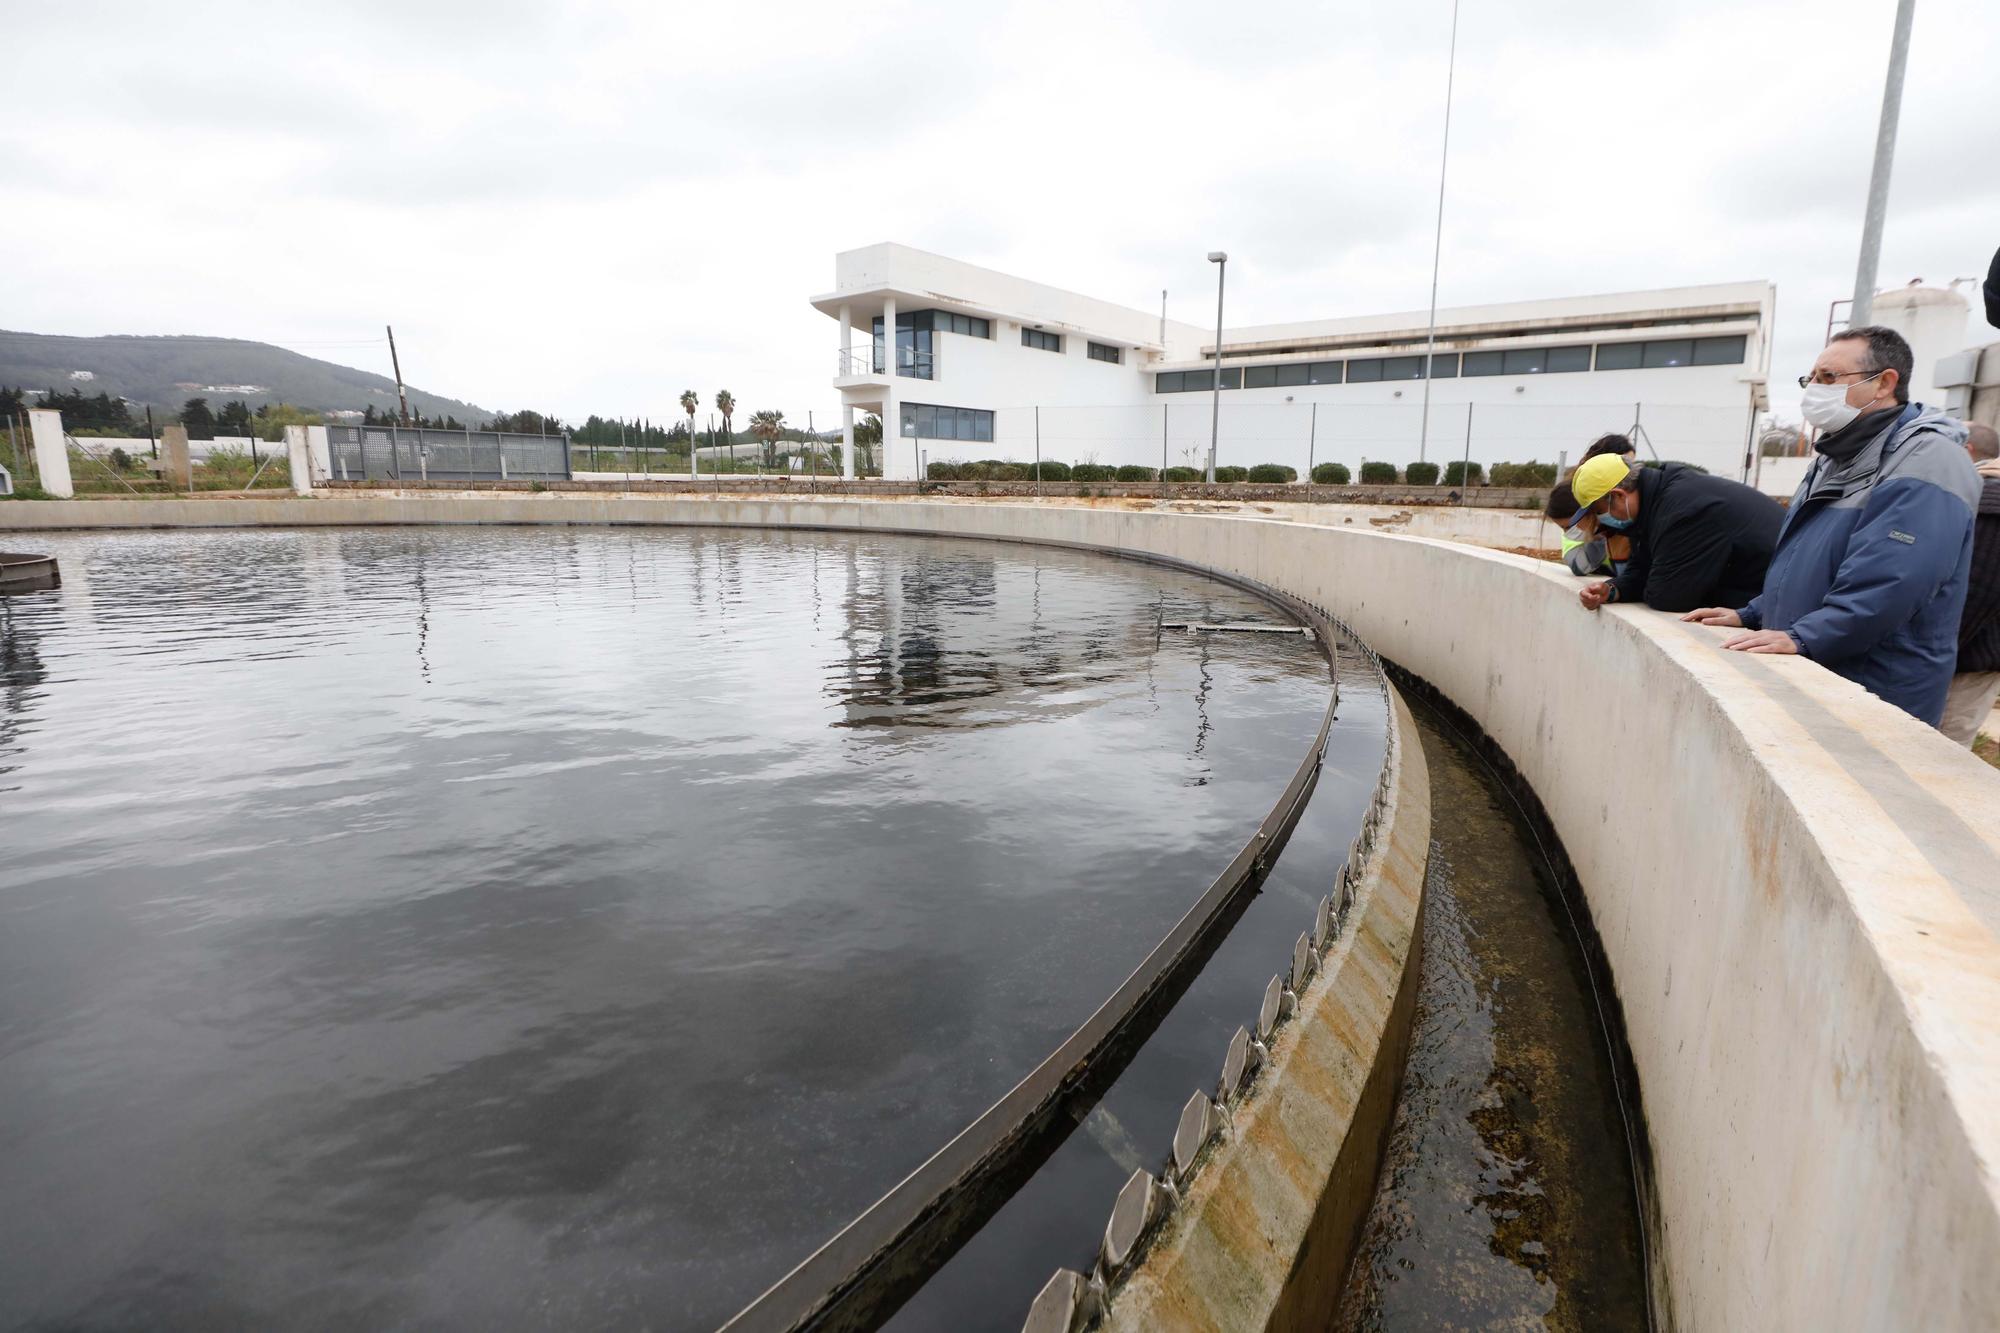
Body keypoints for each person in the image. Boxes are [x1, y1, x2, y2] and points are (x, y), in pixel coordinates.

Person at [1684, 326, 1980, 726]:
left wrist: (1806, 636)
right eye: (1812, 379)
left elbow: (1894, 581)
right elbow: (1808, 562)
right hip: (1820, 668)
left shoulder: (1927, 458)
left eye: (1828, 378)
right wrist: (1753, 613)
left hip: (1874, 687)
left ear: (1884, 383)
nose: (1814, 391)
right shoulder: (1835, 456)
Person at [1569, 453, 1782, 613]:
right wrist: (1612, 590)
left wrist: (1650, 583)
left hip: (1777, 600)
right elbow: (1641, 570)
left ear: (1617, 495)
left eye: (1598, 511)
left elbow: (1668, 596)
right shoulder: (1653, 504)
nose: (1600, 520)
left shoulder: (1681, 512)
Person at [1941, 422, 2000, 744]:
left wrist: (1936, 653)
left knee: (1940, 752)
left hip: (1964, 662)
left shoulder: (1988, 501)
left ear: (1967, 452)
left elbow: (1978, 591)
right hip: (1970, 657)